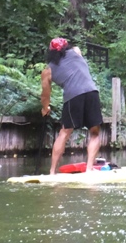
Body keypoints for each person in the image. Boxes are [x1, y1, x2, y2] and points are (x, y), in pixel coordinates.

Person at [41, 37, 103, 174]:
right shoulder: (76, 51)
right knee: (94, 132)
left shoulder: (47, 71)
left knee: (64, 133)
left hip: (73, 96)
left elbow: (45, 95)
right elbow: (75, 51)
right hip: (92, 92)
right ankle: (89, 169)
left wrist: (45, 108)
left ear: (50, 52)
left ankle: (52, 172)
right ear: (66, 47)